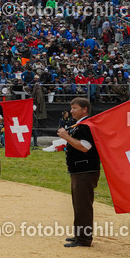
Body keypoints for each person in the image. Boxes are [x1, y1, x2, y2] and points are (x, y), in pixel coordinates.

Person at [56, 97, 100, 247]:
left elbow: (85, 147)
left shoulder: (86, 126)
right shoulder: (79, 125)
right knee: (78, 204)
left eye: (74, 108)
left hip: (85, 170)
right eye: (71, 108)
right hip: (79, 170)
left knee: (83, 205)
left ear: (84, 109)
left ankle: (84, 239)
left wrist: (66, 137)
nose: (71, 111)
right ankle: (79, 235)